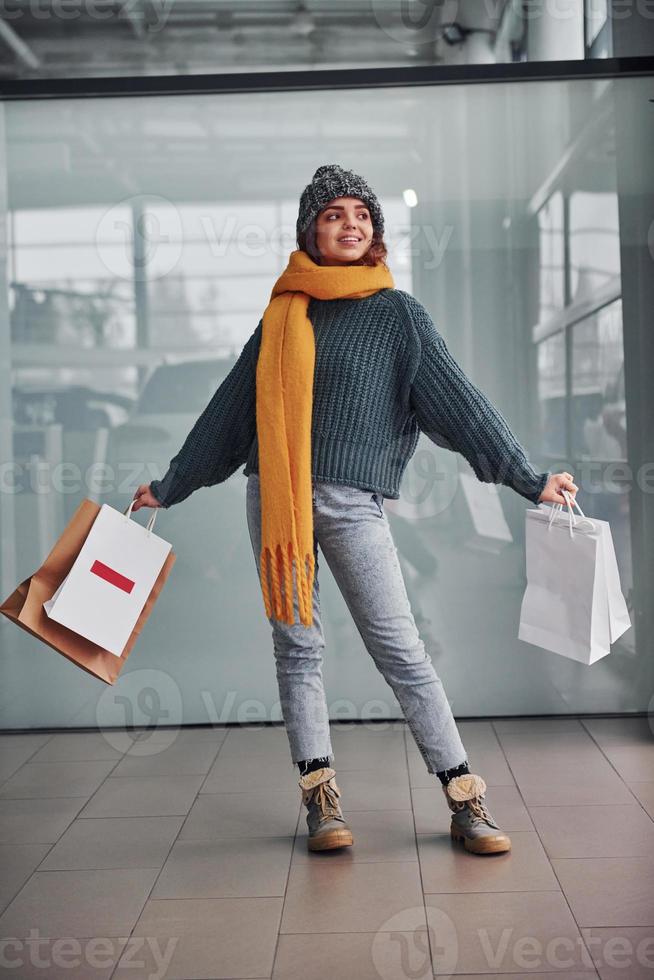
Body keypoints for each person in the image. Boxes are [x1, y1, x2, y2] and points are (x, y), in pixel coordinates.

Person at [132, 163, 578, 856]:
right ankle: (320, 799)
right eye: (334, 214)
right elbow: (229, 413)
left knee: (402, 649)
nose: (349, 224)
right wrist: (171, 484)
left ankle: (465, 797)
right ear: (311, 227)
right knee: (298, 649)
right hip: (275, 500)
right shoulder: (283, 315)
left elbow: (461, 406)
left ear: (374, 232)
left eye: (361, 215)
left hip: (351, 504)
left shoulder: (397, 317)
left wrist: (528, 477)